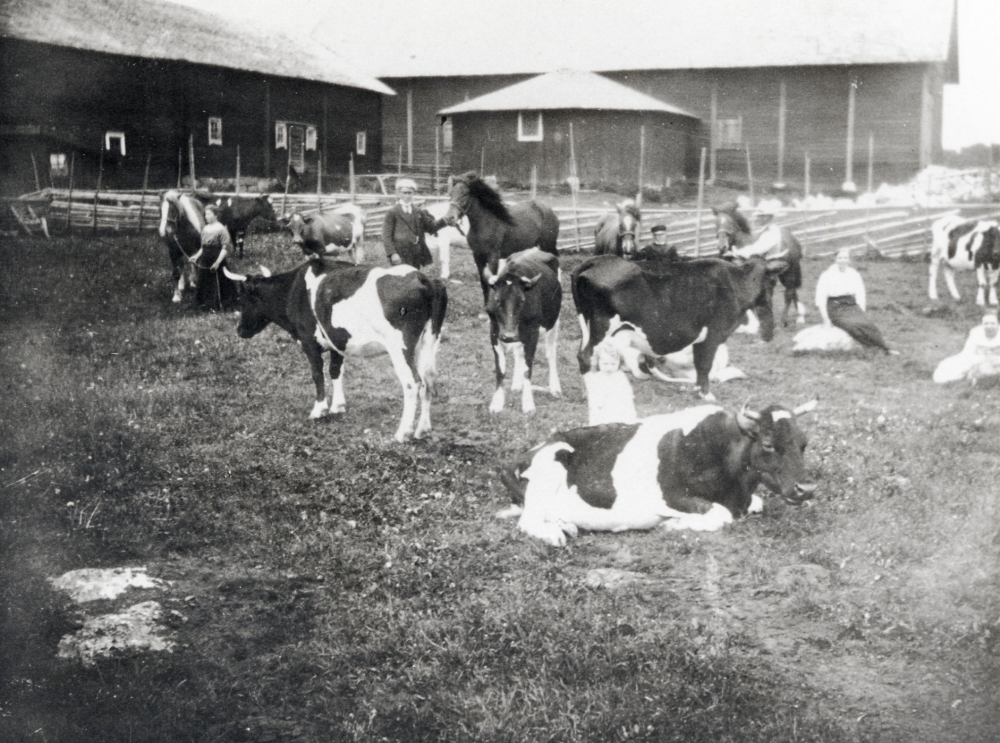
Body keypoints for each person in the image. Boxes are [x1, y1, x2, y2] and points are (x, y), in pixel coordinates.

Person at [814, 249, 894, 354]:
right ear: (835, 259)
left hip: (851, 305)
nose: (843, 260)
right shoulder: (826, 275)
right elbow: (820, 298)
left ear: (849, 260)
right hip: (835, 306)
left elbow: (860, 293)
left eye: (845, 258)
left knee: (868, 325)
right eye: (840, 258)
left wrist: (861, 311)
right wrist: (825, 318)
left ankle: (884, 348)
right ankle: (872, 347)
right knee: (852, 326)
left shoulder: (853, 274)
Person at [381, 178, 447, 269]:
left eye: (410, 193)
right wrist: (392, 253)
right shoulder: (392, 212)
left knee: (414, 274)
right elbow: (386, 236)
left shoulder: (418, 211)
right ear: (399, 193)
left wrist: (444, 221)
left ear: (413, 193)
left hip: (416, 253)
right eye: (405, 193)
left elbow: (430, 227)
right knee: (401, 275)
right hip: (400, 253)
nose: (407, 196)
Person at [189, 203, 239, 311]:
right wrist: (196, 256)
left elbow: (224, 249)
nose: (206, 217)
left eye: (209, 214)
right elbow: (203, 247)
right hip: (205, 258)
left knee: (218, 281)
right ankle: (203, 304)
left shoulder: (221, 228)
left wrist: (217, 263)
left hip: (216, 257)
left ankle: (218, 304)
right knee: (203, 280)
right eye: (205, 214)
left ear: (216, 215)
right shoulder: (205, 229)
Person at [933, 313, 1000, 384]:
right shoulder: (976, 333)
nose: (989, 326)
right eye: (986, 323)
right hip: (978, 359)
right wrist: (978, 360)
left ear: (998, 324)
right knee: (950, 366)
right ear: (982, 324)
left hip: (997, 361)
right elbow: (967, 352)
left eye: (992, 323)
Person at [583, 339, 637, 426]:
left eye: (613, 364)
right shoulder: (596, 379)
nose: (609, 367)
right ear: (597, 361)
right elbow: (594, 403)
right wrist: (594, 422)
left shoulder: (621, 377)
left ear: (619, 362)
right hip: (603, 416)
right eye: (605, 364)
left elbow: (628, 399)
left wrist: (632, 418)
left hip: (621, 414)